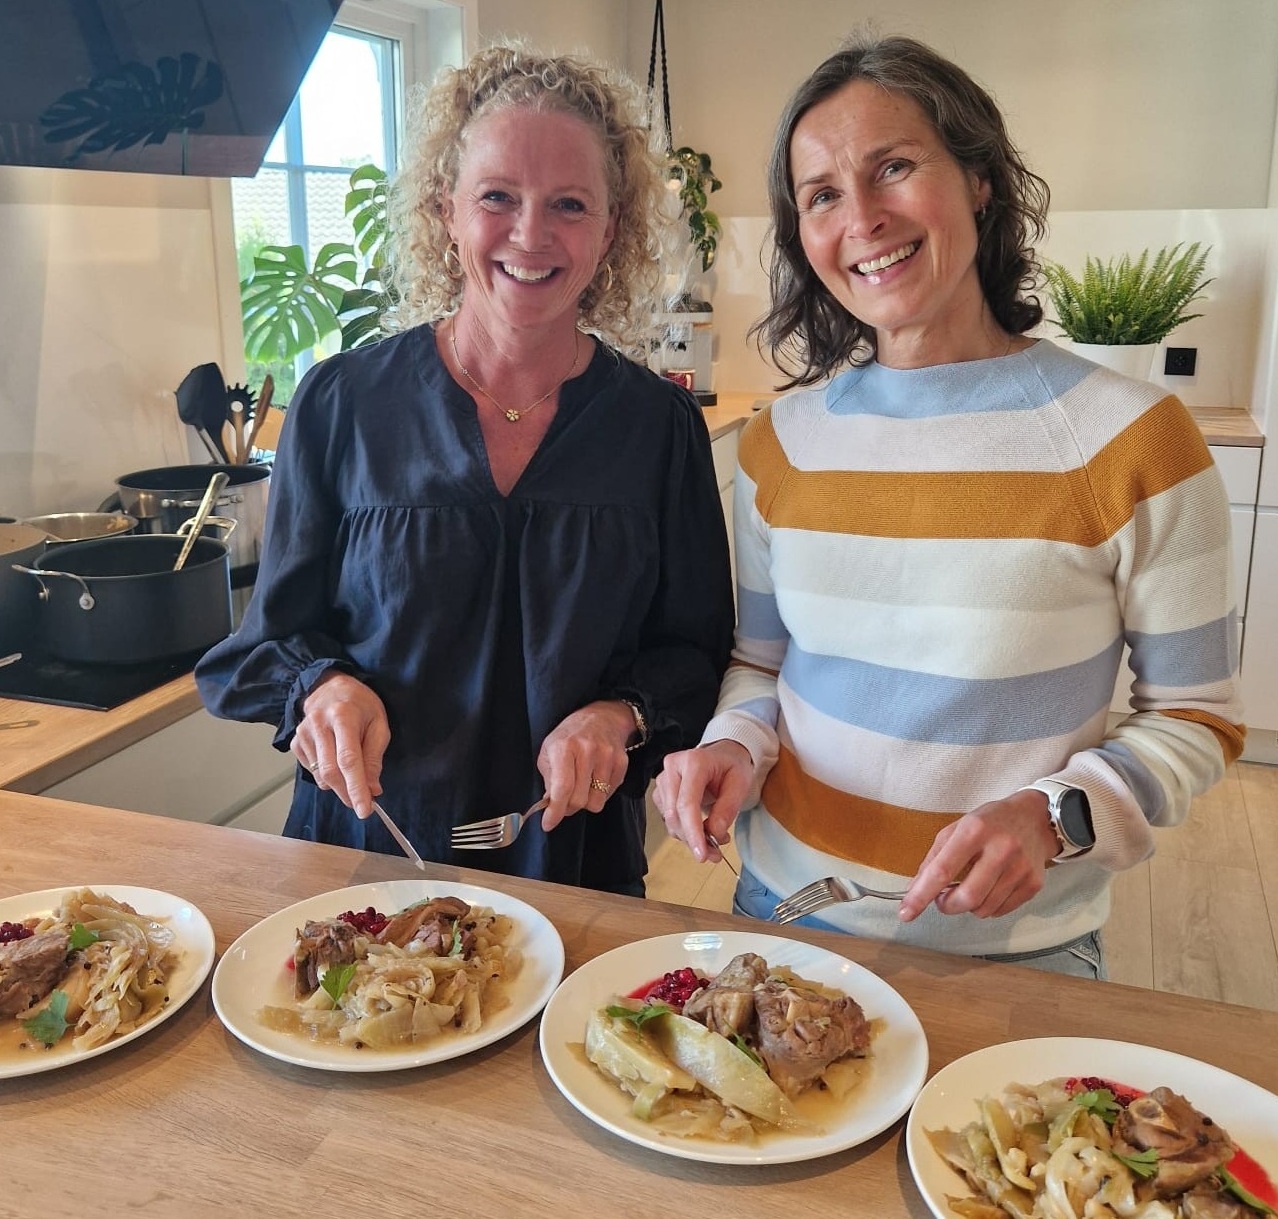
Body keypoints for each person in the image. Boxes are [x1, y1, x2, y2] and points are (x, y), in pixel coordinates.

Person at [653, 34, 1245, 976]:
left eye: (893, 167)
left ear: (979, 179)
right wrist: (732, 742)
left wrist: (1055, 815)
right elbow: (760, 663)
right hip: (784, 912)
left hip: (1017, 951)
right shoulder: (779, 443)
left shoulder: (1134, 439)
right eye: (822, 195)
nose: (862, 218)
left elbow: (1196, 714)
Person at [196, 44, 734, 895]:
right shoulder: (341, 404)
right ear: (445, 209)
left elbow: (696, 655)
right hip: (367, 860)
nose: (530, 234)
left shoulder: (659, 428)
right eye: (497, 197)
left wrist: (619, 714)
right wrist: (323, 688)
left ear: (612, 230)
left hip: (573, 866)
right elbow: (267, 641)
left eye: (569, 204)